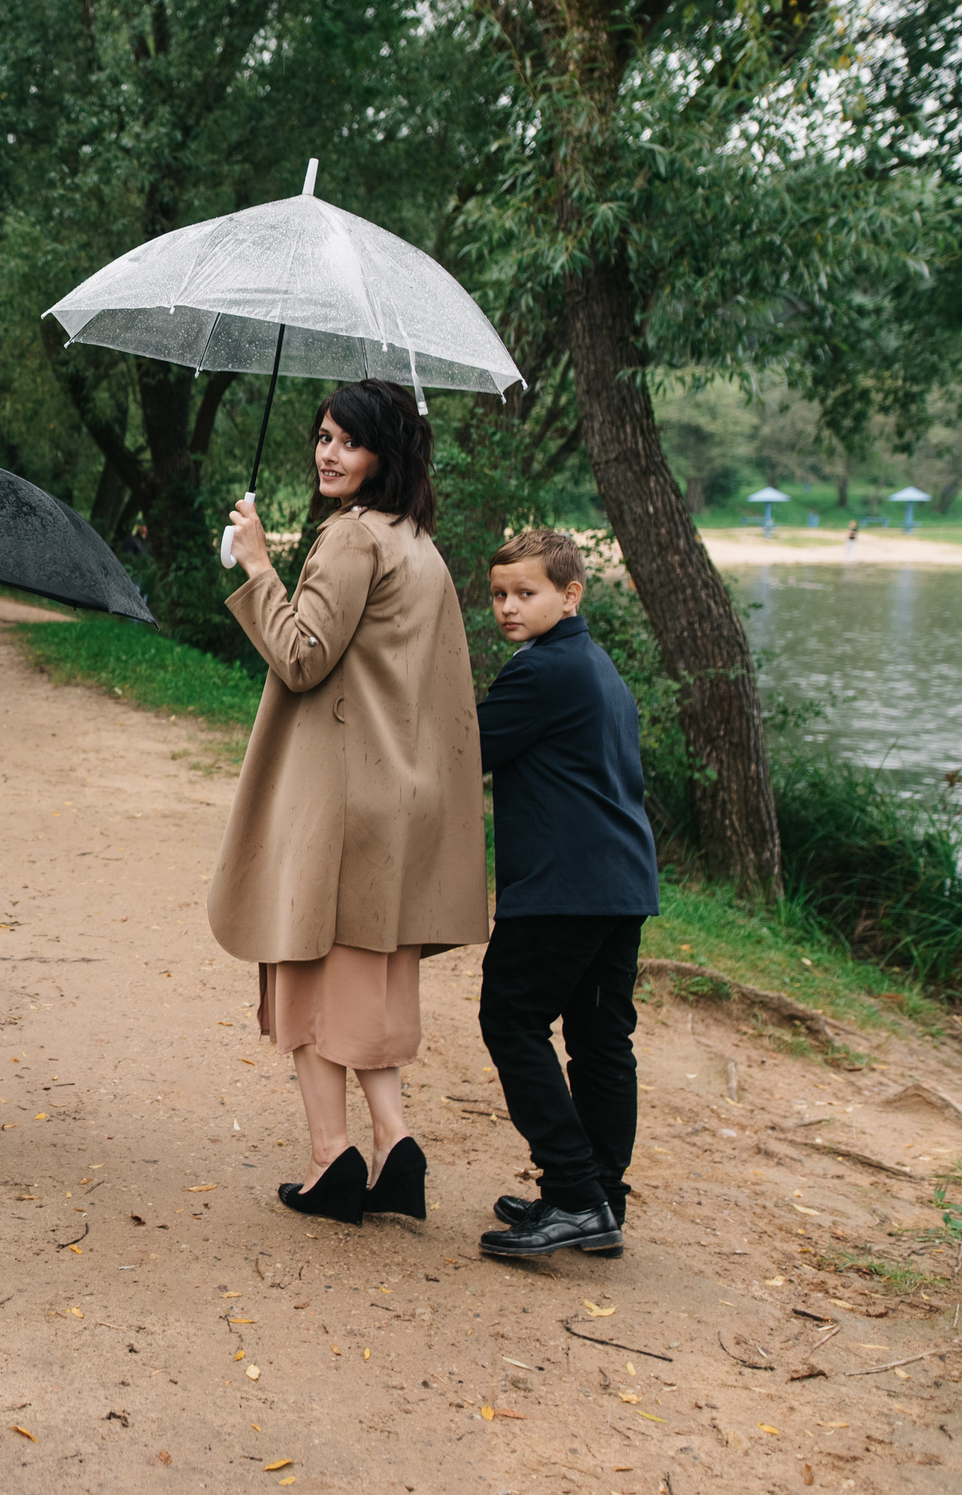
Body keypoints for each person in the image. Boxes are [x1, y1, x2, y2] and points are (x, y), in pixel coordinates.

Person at [210, 378, 488, 1226]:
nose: (329, 453)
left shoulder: (349, 539)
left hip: (336, 797)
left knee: (303, 975)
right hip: (396, 792)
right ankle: (395, 1144)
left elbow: (302, 657)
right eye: (324, 436)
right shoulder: (420, 545)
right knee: (367, 975)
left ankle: (331, 1158)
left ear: (384, 454)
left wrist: (259, 566)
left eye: (349, 441)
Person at [472, 530, 660, 1259]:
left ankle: (577, 1194)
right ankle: (600, 1200)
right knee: (599, 1039)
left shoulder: (543, 672)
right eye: (498, 594)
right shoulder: (595, 665)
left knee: (510, 1018)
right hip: (619, 883)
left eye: (527, 593)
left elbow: (466, 752)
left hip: (564, 885)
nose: (509, 607)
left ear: (569, 594)